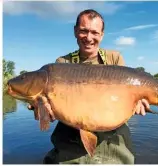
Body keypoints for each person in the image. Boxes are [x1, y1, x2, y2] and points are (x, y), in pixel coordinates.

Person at [41, 9, 150, 164]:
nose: (89, 38)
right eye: (83, 31)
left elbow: (125, 95)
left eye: (95, 32)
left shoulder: (114, 58)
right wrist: (44, 108)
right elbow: (52, 109)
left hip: (111, 136)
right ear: (75, 31)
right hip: (72, 139)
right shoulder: (62, 64)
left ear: (102, 35)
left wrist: (136, 102)